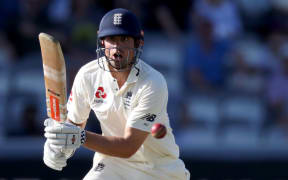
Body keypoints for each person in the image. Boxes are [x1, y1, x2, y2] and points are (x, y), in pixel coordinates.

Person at [43, 8, 190, 180]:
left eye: (124, 39)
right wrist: (59, 146)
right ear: (102, 41)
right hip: (113, 164)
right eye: (112, 39)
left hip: (159, 169)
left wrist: (77, 137)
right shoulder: (88, 75)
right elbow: (74, 124)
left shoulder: (153, 82)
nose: (117, 48)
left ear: (138, 43)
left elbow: (128, 146)